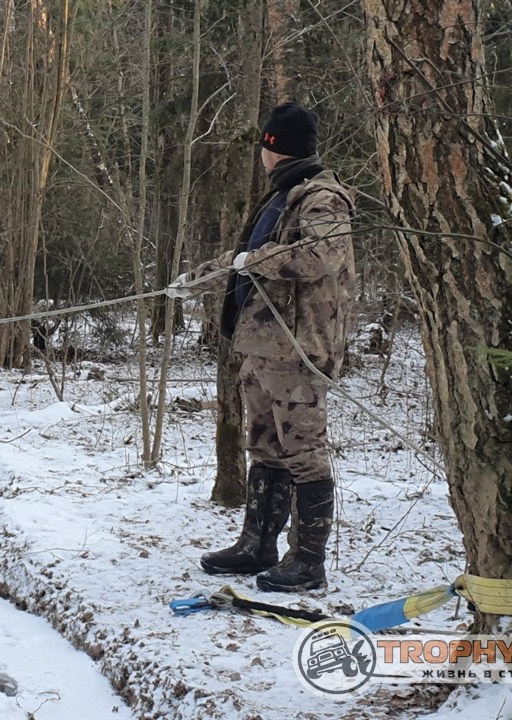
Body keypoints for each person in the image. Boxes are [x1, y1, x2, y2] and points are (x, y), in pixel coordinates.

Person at [167, 102, 355, 592]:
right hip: (263, 347)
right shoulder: (283, 195)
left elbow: (321, 255)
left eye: (264, 145)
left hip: (298, 350)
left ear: (273, 147)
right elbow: (242, 259)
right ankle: (257, 545)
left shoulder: (322, 198)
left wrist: (256, 260)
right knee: (265, 447)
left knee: (303, 451)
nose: (261, 154)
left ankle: (307, 562)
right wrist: (197, 279)